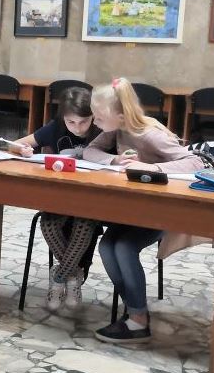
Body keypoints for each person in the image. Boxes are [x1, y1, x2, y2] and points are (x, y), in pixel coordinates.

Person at [84, 77, 205, 343]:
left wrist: (152, 168)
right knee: (107, 246)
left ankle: (138, 320)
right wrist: (115, 159)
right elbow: (90, 151)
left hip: (162, 210)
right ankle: (136, 310)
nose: (94, 123)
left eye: (99, 118)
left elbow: (195, 162)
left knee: (123, 247)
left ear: (119, 115)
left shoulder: (148, 133)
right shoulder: (116, 128)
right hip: (134, 209)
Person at [6, 87, 103, 308]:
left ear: (93, 116)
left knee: (84, 225)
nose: (77, 128)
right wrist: (22, 150)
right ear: (63, 118)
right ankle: (74, 275)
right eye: (71, 122)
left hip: (91, 199)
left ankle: (59, 277)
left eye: (84, 122)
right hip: (60, 196)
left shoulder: (101, 130)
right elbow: (14, 144)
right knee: (48, 224)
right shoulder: (56, 127)